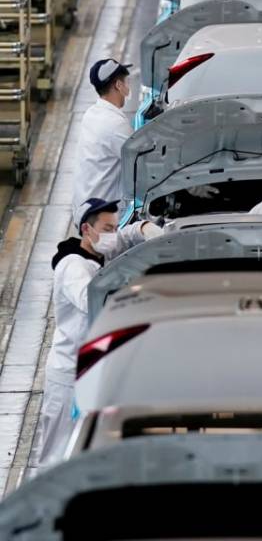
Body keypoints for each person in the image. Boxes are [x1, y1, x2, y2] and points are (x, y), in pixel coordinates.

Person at [39, 198, 163, 466]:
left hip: (92, 366)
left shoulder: (98, 250)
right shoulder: (73, 266)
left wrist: (142, 228)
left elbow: (122, 239)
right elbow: (91, 298)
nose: (112, 235)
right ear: (87, 229)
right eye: (107, 228)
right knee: (55, 453)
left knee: (85, 446)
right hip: (69, 372)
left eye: (114, 228)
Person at [71, 59, 133, 220]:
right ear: (118, 85)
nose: (128, 85)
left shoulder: (93, 113)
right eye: (126, 81)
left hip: (85, 207)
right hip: (100, 217)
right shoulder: (114, 123)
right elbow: (142, 161)